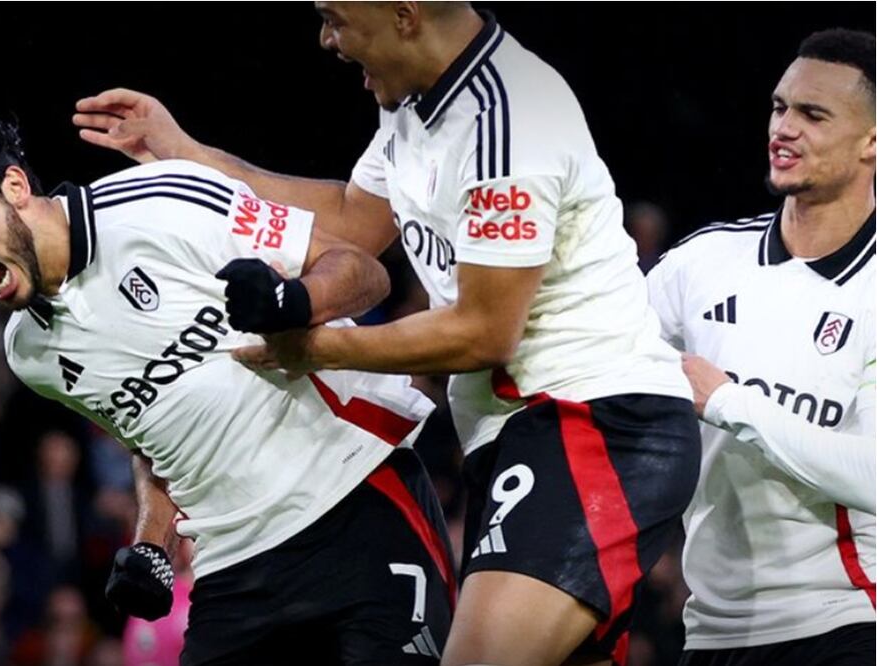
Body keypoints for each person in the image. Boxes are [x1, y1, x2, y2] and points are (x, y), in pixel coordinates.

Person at [73, 3, 699, 664]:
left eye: (335, 18)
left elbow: (485, 333)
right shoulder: (416, 106)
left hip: (592, 424)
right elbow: (351, 223)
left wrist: (314, 349)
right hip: (517, 437)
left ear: (403, 14)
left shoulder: (508, 121)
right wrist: (188, 155)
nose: (327, 40)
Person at [0, 101, 456, 665]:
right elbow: (155, 446)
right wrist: (152, 544)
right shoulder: (29, 353)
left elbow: (363, 270)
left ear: (16, 188)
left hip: (356, 498)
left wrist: (294, 299)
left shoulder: (160, 201)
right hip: (232, 567)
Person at [646, 28, 876, 665]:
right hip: (711, 629)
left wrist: (727, 401)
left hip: (848, 621)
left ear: (871, 142)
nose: (785, 127)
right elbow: (598, 370)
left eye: (813, 114)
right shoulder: (701, 263)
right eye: (779, 107)